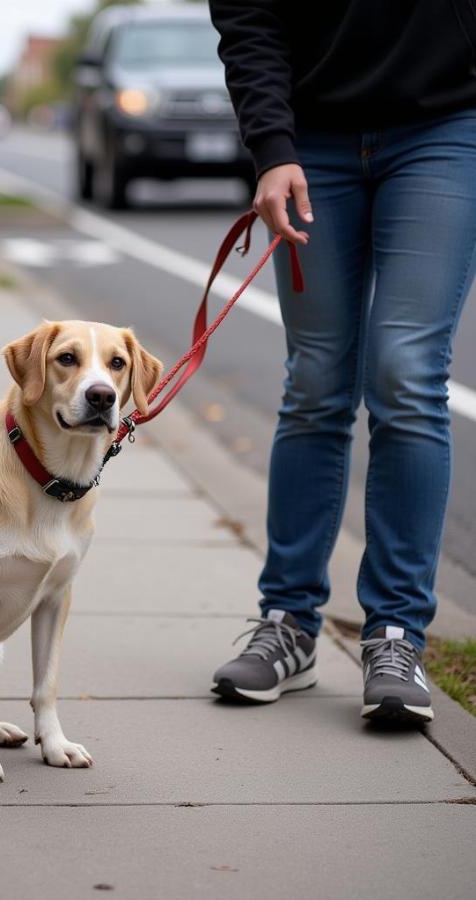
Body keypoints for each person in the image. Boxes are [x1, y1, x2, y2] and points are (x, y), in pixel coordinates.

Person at [207, 1, 476, 725]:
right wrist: (270, 144)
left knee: (407, 370)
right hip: (309, 139)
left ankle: (395, 634)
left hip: (446, 128)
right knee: (317, 380)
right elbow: (248, 14)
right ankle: (290, 622)